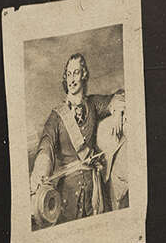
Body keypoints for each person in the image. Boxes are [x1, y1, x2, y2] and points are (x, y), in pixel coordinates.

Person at [29, 51, 118, 226]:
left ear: (83, 75)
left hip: (95, 191)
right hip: (68, 196)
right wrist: (40, 174)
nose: (72, 79)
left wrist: (117, 114)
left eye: (76, 73)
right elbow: (46, 146)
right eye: (68, 74)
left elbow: (118, 97)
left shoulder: (93, 104)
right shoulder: (56, 116)